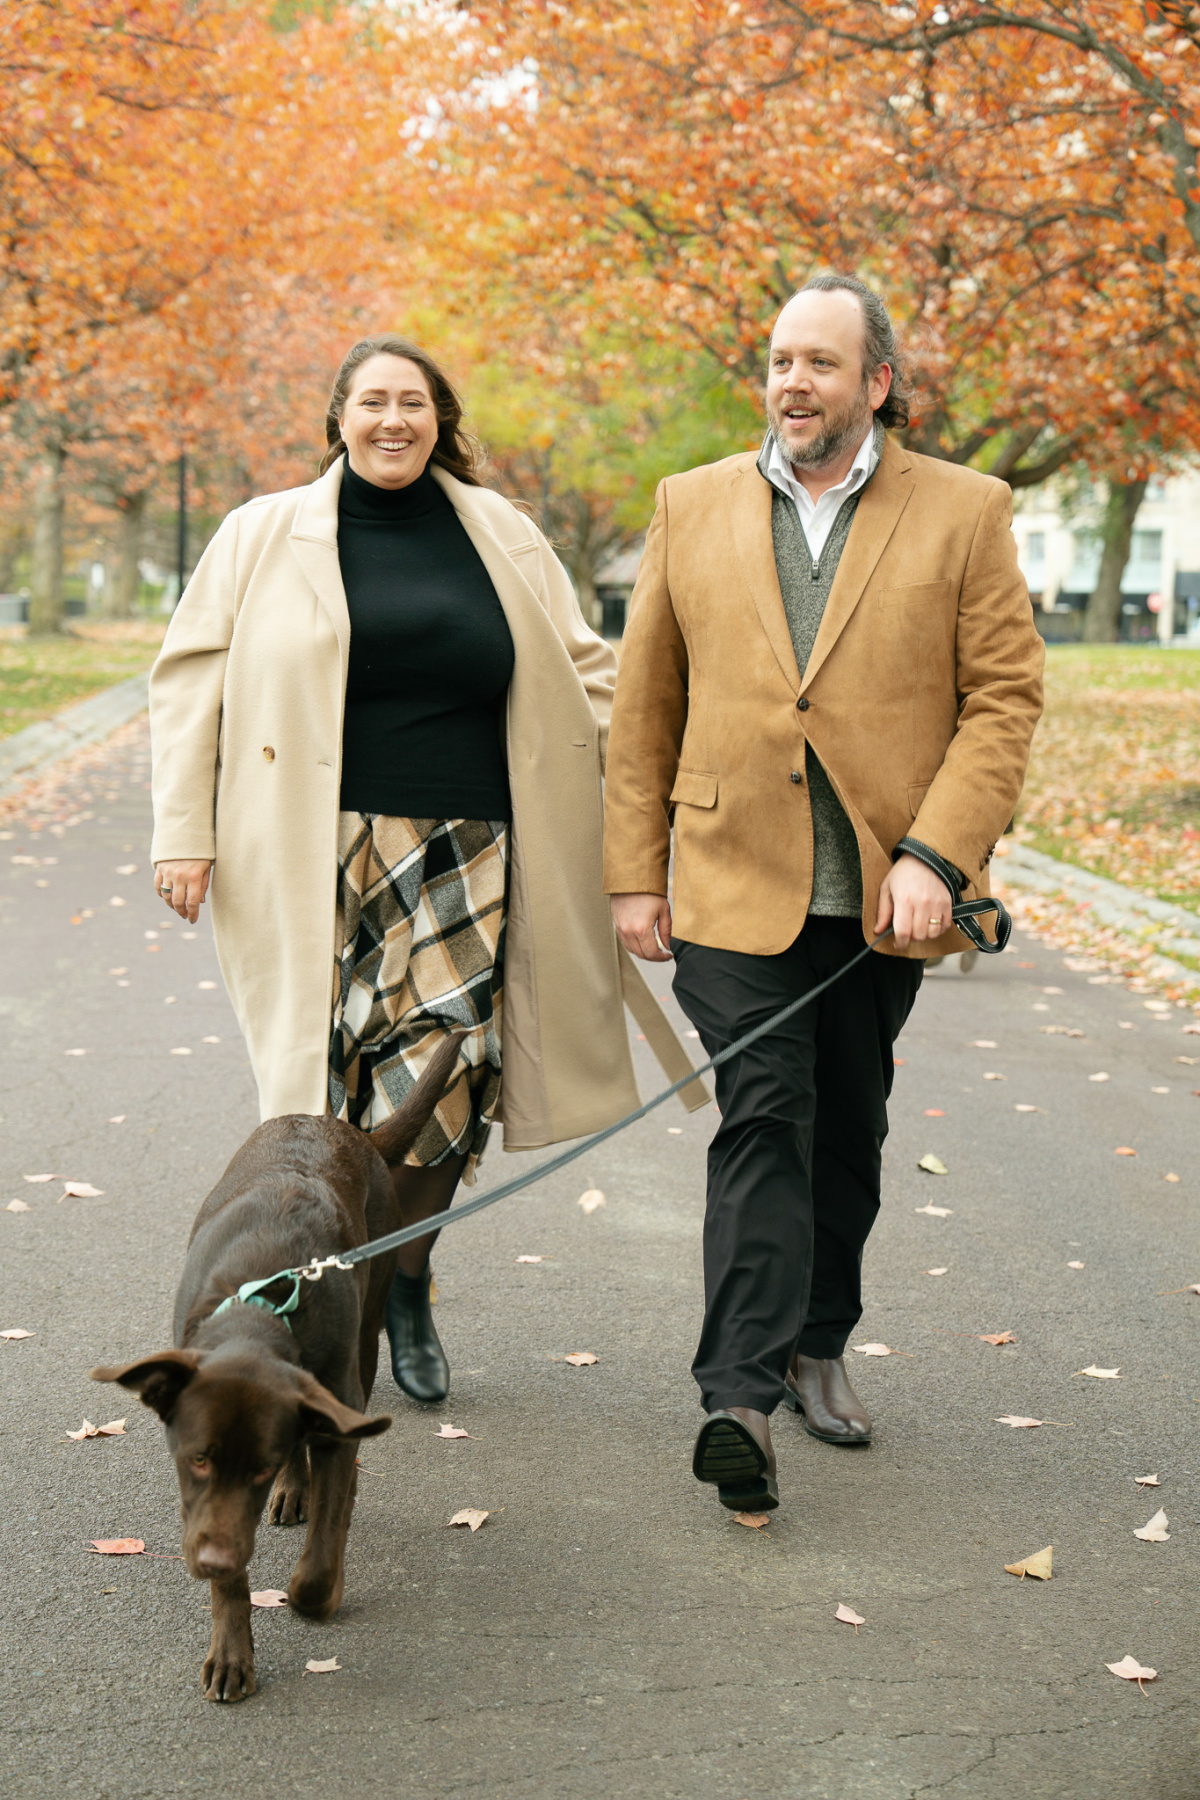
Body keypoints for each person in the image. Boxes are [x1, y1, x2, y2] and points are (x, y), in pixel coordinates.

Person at [149, 333, 702, 1407]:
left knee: (446, 1084)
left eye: (414, 402)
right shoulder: (262, 535)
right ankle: (331, 1292)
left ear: (442, 419)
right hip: (311, 846)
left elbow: (593, 673)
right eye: (372, 403)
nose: (393, 421)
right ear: (338, 419)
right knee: (325, 1085)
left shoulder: (500, 532)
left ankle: (405, 1279)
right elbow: (188, 683)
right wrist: (184, 831)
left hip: (473, 850)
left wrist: (669, 787)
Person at [603, 275, 1044, 1512]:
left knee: (848, 1126)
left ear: (877, 384)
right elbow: (645, 708)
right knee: (763, 1110)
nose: (792, 383)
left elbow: (1003, 701)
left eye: (821, 365)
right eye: (781, 361)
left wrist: (938, 859)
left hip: (885, 900)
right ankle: (736, 1393)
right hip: (730, 884)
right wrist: (635, 874)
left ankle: (818, 1341)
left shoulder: (964, 511)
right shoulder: (689, 506)